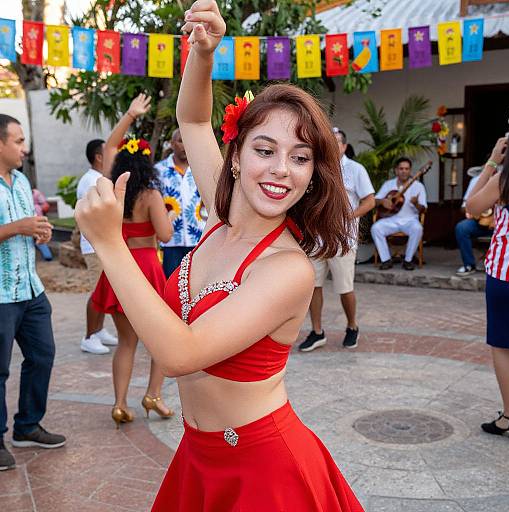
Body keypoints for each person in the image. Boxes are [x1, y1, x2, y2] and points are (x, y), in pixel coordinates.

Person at [75, 2, 364, 510]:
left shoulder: (288, 269)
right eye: (264, 149)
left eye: (300, 158)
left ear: (313, 175)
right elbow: (191, 115)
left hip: (263, 470)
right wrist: (204, 52)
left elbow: (180, 354)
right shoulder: (220, 212)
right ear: (236, 156)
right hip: (198, 454)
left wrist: (110, 243)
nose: (280, 170)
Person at [90, 95, 175, 427]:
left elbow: (110, 147)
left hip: (120, 266)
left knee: (126, 341)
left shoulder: (112, 189)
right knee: (160, 338)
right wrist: (163, 212)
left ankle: (120, 403)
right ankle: (154, 395)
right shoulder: (151, 195)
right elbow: (166, 236)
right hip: (148, 268)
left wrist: (129, 115)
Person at [0, 114, 66, 472]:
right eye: (18, 141)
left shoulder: (23, 181)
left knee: (42, 355)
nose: (24, 148)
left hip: (30, 288)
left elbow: (29, 224)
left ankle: (27, 426)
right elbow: (15, 226)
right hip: (0, 294)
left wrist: (39, 231)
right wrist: (17, 227)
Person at [300, 128, 375, 352]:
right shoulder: (315, 167)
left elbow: (369, 201)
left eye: (336, 143)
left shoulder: (356, 169)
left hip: (343, 238)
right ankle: (317, 332)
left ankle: (352, 326)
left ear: (343, 146)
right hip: (317, 239)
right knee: (313, 286)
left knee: (344, 288)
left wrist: (346, 217)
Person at [466, 134, 509, 440]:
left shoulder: (503, 180)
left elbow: (472, 206)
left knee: (504, 346)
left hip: (505, 274)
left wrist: (493, 161)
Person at [77, 139, 118, 354]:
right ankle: (89, 336)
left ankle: (99, 329)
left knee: (104, 290)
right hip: (93, 246)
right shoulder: (90, 181)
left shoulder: (100, 179)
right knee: (96, 292)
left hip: (102, 245)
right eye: (109, 152)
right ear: (98, 157)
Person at [155, 128, 206, 278]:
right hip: (171, 241)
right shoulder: (159, 171)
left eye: (187, 141)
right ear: (172, 144)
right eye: (180, 141)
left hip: (199, 239)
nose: (185, 145)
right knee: (171, 285)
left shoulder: (201, 169)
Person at [371, 157, 427, 270]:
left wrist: (416, 204)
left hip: (410, 220)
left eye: (407, 169)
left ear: (410, 170)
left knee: (418, 229)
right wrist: (383, 201)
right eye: (401, 168)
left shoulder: (418, 186)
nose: (404, 171)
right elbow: (374, 201)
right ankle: (386, 260)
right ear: (396, 170)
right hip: (391, 220)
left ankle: (408, 260)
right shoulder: (388, 184)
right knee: (376, 228)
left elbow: (423, 209)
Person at [455, 165, 494, 277]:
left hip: (500, 223)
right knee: (462, 228)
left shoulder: (504, 179)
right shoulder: (476, 181)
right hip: (479, 221)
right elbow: (464, 207)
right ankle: (469, 264)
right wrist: (471, 211)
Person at [32, 187, 53, 261]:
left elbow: (46, 206)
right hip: (39, 218)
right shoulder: (36, 194)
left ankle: (47, 256)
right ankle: (47, 255)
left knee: (39, 237)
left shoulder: (35, 193)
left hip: (35, 219)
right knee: (40, 237)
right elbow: (46, 206)